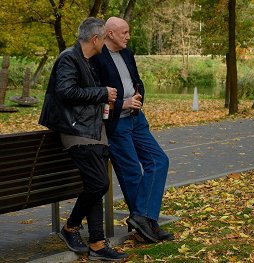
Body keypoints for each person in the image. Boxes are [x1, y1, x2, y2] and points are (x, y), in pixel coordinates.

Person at [38, 17, 128, 261]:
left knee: (95, 186)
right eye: (104, 39)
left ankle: (97, 244)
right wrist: (102, 92)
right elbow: (65, 92)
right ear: (96, 39)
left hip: (92, 129)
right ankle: (70, 228)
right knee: (99, 184)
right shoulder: (69, 58)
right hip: (76, 130)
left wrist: (103, 99)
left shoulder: (87, 60)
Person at [91, 17, 174, 242]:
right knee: (132, 174)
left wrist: (138, 96)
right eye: (124, 32)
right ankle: (148, 224)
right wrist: (122, 104)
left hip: (137, 119)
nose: (128, 36)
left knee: (159, 160)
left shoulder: (127, 54)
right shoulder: (97, 58)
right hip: (116, 122)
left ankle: (141, 218)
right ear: (109, 34)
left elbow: (137, 81)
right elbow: (95, 94)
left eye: (128, 32)